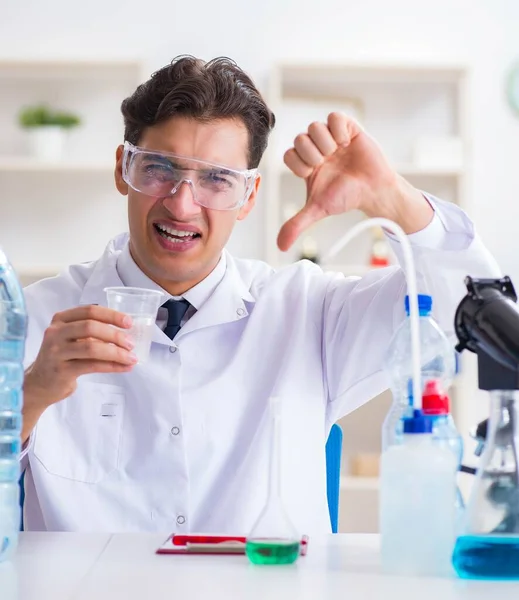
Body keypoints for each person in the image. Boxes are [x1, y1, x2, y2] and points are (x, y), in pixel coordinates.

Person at [21, 55, 499, 534]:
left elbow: (476, 314)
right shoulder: (33, 318)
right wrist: (29, 396)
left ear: (249, 196)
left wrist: (391, 198)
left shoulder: (307, 312)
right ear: (123, 168)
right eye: (158, 169)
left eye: (216, 179)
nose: (182, 203)